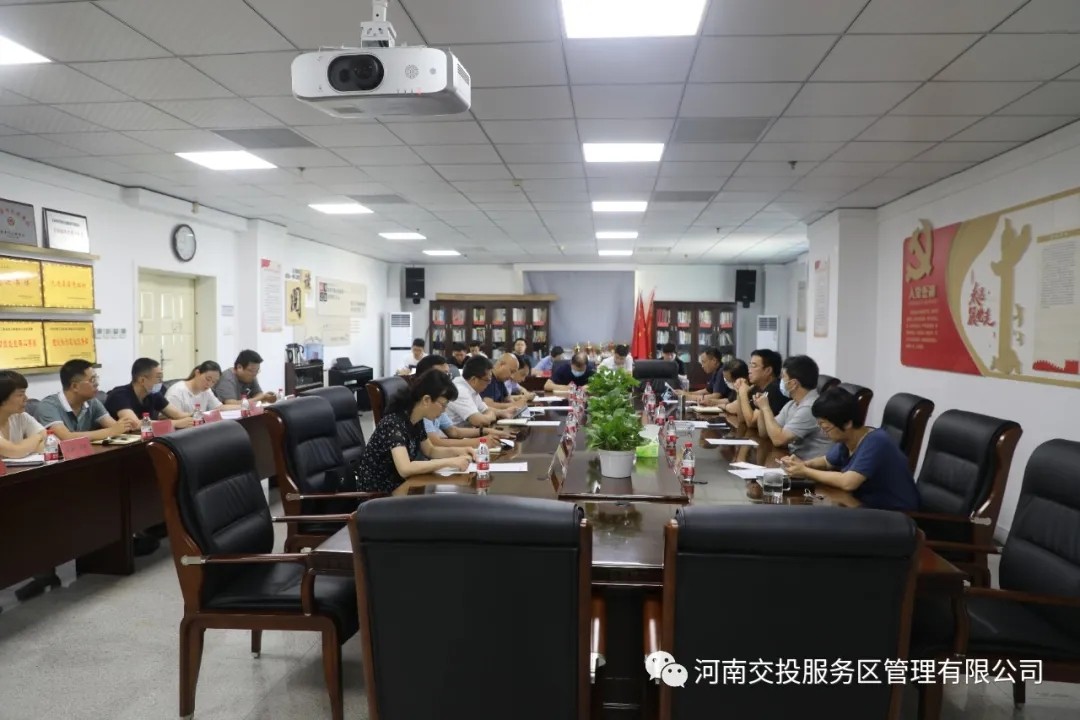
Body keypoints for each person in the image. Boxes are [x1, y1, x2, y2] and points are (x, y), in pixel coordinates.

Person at [783, 388, 919, 511]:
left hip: (896, 516)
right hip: (863, 506)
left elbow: (848, 482)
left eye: (825, 428)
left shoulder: (876, 441)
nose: (823, 433)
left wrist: (806, 472)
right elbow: (826, 461)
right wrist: (802, 465)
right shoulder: (848, 439)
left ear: (847, 423)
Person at [354, 369, 475, 494]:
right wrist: (450, 462)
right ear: (426, 400)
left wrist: (460, 451)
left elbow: (430, 450)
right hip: (378, 496)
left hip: (402, 489)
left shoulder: (416, 420)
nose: (444, 411)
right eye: (443, 405)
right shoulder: (393, 423)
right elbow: (405, 468)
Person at [414, 355, 508, 448]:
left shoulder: (437, 400)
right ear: (425, 377)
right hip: (442, 446)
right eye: (442, 375)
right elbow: (435, 443)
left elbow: (453, 431)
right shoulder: (423, 405)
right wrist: (480, 441)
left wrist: (485, 431)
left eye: (448, 375)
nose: (448, 380)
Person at [33, 359, 138, 442]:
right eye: (92, 380)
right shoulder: (48, 406)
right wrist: (111, 431)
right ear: (75, 386)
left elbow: (114, 426)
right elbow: (66, 437)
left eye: (96, 378)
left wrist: (125, 425)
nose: (97, 383)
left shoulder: (92, 402)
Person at [754, 355, 832, 459]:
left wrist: (765, 408)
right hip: (794, 460)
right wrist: (761, 407)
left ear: (793, 383)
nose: (781, 381)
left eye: (783, 377)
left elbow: (778, 440)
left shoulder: (810, 408)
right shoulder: (792, 404)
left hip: (811, 465)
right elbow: (764, 433)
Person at [105, 358, 194, 429]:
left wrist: (196, 415)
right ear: (142, 380)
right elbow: (135, 424)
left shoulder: (154, 394)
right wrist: (175, 423)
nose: (161, 381)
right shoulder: (119, 395)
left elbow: (178, 415)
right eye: (159, 378)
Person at [447, 356, 518, 427]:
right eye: (487, 380)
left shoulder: (472, 389)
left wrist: (503, 412)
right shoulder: (460, 391)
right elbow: (479, 421)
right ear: (474, 380)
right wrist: (490, 416)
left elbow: (485, 409)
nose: (489, 383)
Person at [732, 348, 786, 424]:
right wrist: (739, 391)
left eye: (753, 366)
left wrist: (743, 394)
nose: (749, 370)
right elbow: (741, 419)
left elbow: (751, 422)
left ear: (768, 370)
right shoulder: (756, 388)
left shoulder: (776, 390)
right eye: (749, 365)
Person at [0, 370, 46, 459]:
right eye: (20, 395)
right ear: (2, 398)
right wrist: (37, 439)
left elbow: (46, 438)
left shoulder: (20, 416)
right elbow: (15, 451)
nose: (26, 398)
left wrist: (22, 448)